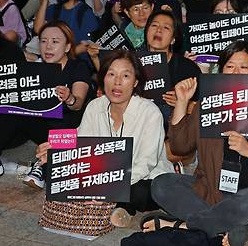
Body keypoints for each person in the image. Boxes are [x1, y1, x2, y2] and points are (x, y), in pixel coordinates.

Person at [145, 41, 248, 246]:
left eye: (244, 67)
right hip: (211, 191)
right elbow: (180, 147)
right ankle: (227, 226)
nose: (235, 72)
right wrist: (182, 102)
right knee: (161, 185)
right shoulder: (209, 102)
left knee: (246, 204)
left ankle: (184, 226)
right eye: (230, 66)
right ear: (221, 70)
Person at [36, 49, 172, 228]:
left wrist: (108, 188)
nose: (117, 82)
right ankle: (116, 206)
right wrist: (53, 148)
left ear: (135, 82)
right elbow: (80, 138)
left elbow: (145, 164)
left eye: (125, 76)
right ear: (103, 78)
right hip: (103, 174)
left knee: (144, 191)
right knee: (54, 167)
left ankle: (116, 204)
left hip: (142, 176)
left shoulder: (150, 112)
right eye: (111, 74)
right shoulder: (95, 106)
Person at [0, 21, 91, 185]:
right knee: (14, 109)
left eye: (55, 42)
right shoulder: (34, 69)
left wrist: (69, 98)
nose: (48, 47)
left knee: (62, 157)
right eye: (43, 41)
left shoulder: (78, 67)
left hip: (68, 132)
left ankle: (42, 166)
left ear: (68, 47)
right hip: (40, 127)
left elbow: (78, 104)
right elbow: (2, 106)